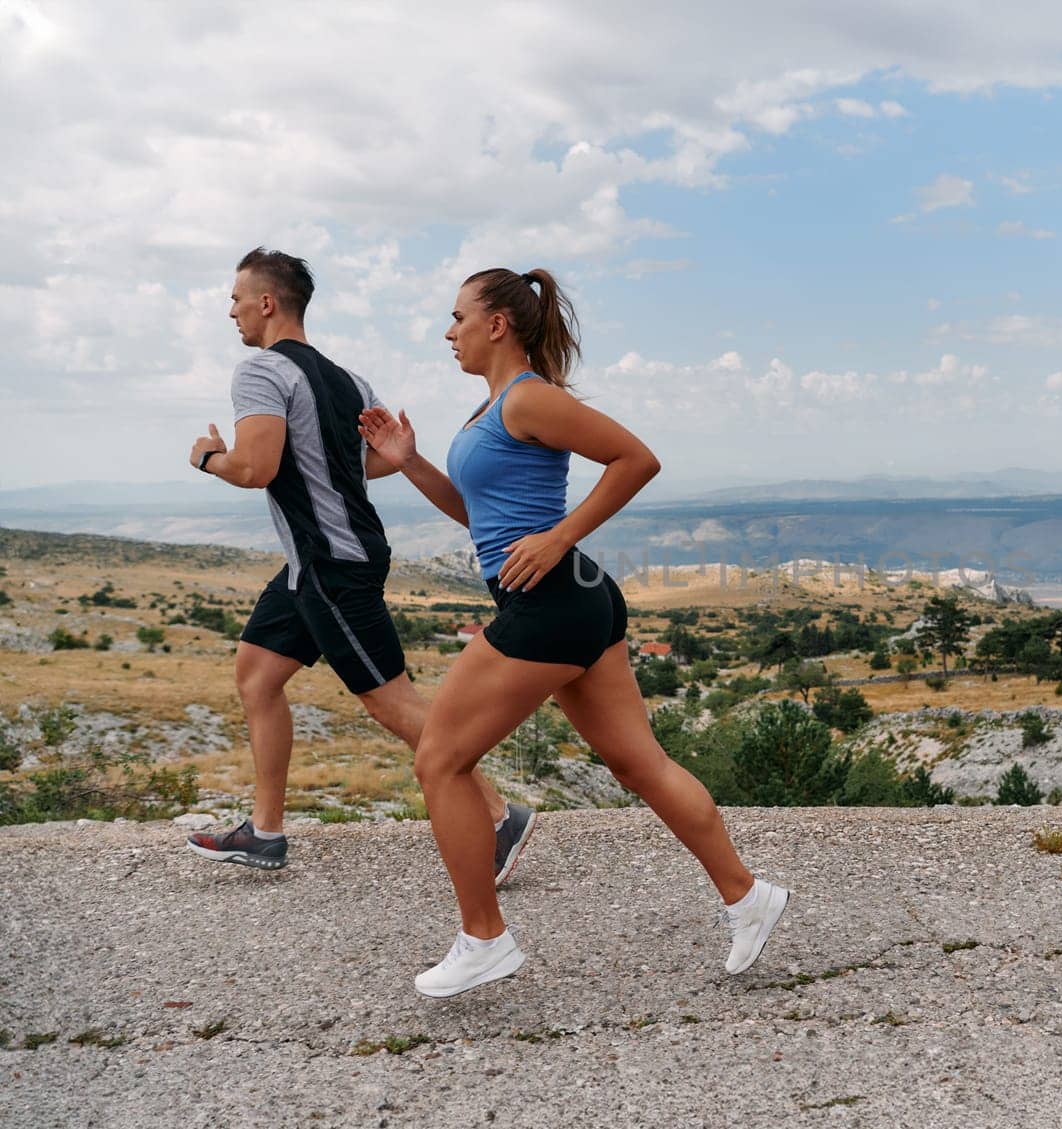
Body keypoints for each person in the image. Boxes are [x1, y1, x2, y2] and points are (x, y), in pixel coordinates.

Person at [359, 266, 790, 998]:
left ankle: (484, 938)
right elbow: (480, 517)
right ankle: (749, 897)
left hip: (553, 601)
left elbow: (637, 459)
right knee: (638, 764)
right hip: (577, 600)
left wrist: (559, 537)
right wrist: (408, 462)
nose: (448, 330)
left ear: (498, 324)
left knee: (439, 761)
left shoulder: (530, 399)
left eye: (458, 316)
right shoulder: (495, 408)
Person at [184, 248, 535, 887]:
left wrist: (208, 456)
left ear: (267, 303)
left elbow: (254, 468)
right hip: (314, 562)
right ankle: (264, 833)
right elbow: (367, 463)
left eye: (236, 298)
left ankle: (497, 815)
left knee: (391, 700)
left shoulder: (259, 371)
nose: (230, 310)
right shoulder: (349, 381)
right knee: (257, 674)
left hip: (332, 564)